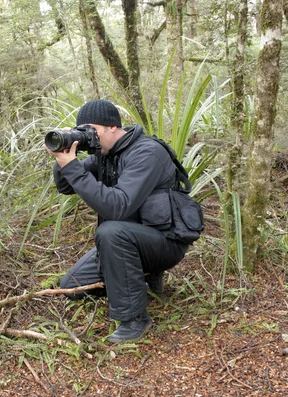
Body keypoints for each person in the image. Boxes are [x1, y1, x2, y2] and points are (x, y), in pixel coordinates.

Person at [44, 99, 189, 342]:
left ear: (112, 127)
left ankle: (134, 319)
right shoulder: (105, 154)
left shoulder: (148, 152)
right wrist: (64, 158)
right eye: (83, 131)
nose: (89, 137)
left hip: (165, 242)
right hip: (131, 240)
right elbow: (66, 185)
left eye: (91, 131)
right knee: (73, 285)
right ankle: (140, 278)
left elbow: (117, 208)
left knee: (110, 231)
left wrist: (72, 166)